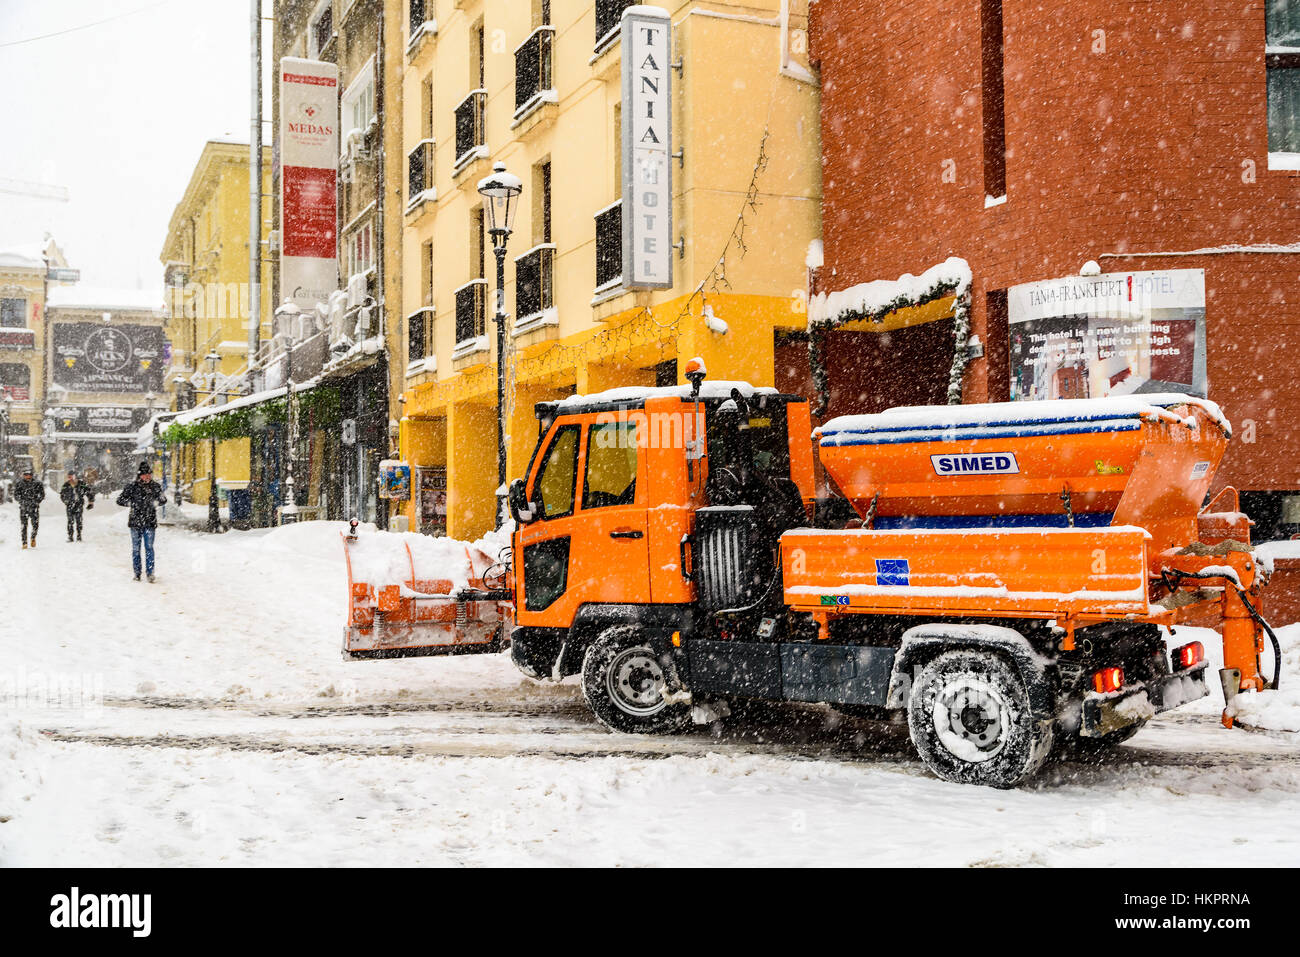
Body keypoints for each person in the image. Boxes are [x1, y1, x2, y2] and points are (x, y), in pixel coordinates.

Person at [117, 461, 164, 581]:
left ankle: (150, 573)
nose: (147, 476)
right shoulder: (132, 487)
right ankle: (137, 573)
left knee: (149, 547)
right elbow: (120, 499)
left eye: (149, 474)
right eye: (145, 474)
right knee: (136, 549)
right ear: (139, 475)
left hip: (150, 522)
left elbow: (163, 499)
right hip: (135, 522)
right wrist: (131, 503)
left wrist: (157, 502)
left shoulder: (155, 486)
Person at [14, 467, 44, 549]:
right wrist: (21, 501)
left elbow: (41, 494)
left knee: (35, 524)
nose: (28, 476)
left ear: (31, 475)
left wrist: (36, 501)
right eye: (26, 475)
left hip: (34, 507)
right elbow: (16, 495)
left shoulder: (38, 483)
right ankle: (24, 542)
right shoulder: (19, 484)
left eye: (29, 474)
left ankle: (33, 537)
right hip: (24, 508)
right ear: (23, 475)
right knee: (24, 525)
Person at [60, 470, 94, 542]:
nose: (70, 478)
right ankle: (70, 536)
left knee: (79, 520)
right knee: (70, 521)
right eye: (69, 477)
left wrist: (91, 502)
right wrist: (66, 501)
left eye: (71, 476)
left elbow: (89, 492)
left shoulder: (81, 484)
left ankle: (79, 535)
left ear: (75, 476)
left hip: (79, 505)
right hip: (69, 506)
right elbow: (62, 495)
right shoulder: (66, 485)